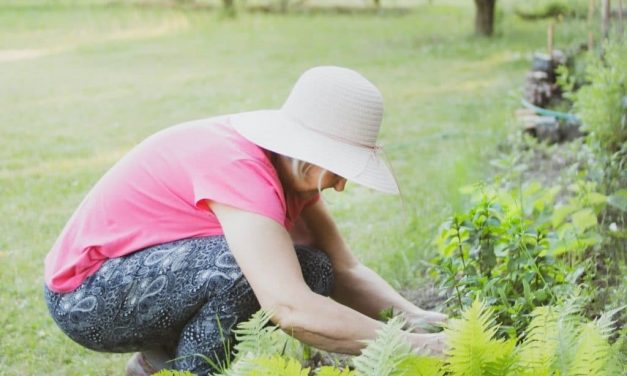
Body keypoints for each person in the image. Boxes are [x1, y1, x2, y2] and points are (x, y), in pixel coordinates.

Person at [44, 66, 447, 375]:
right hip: (85, 296)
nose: (340, 186)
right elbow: (290, 308)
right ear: (307, 152)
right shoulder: (240, 169)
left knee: (314, 267)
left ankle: (154, 364)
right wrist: (415, 347)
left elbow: (345, 270)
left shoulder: (289, 176)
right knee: (244, 271)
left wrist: (421, 320)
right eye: (340, 169)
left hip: (137, 281)